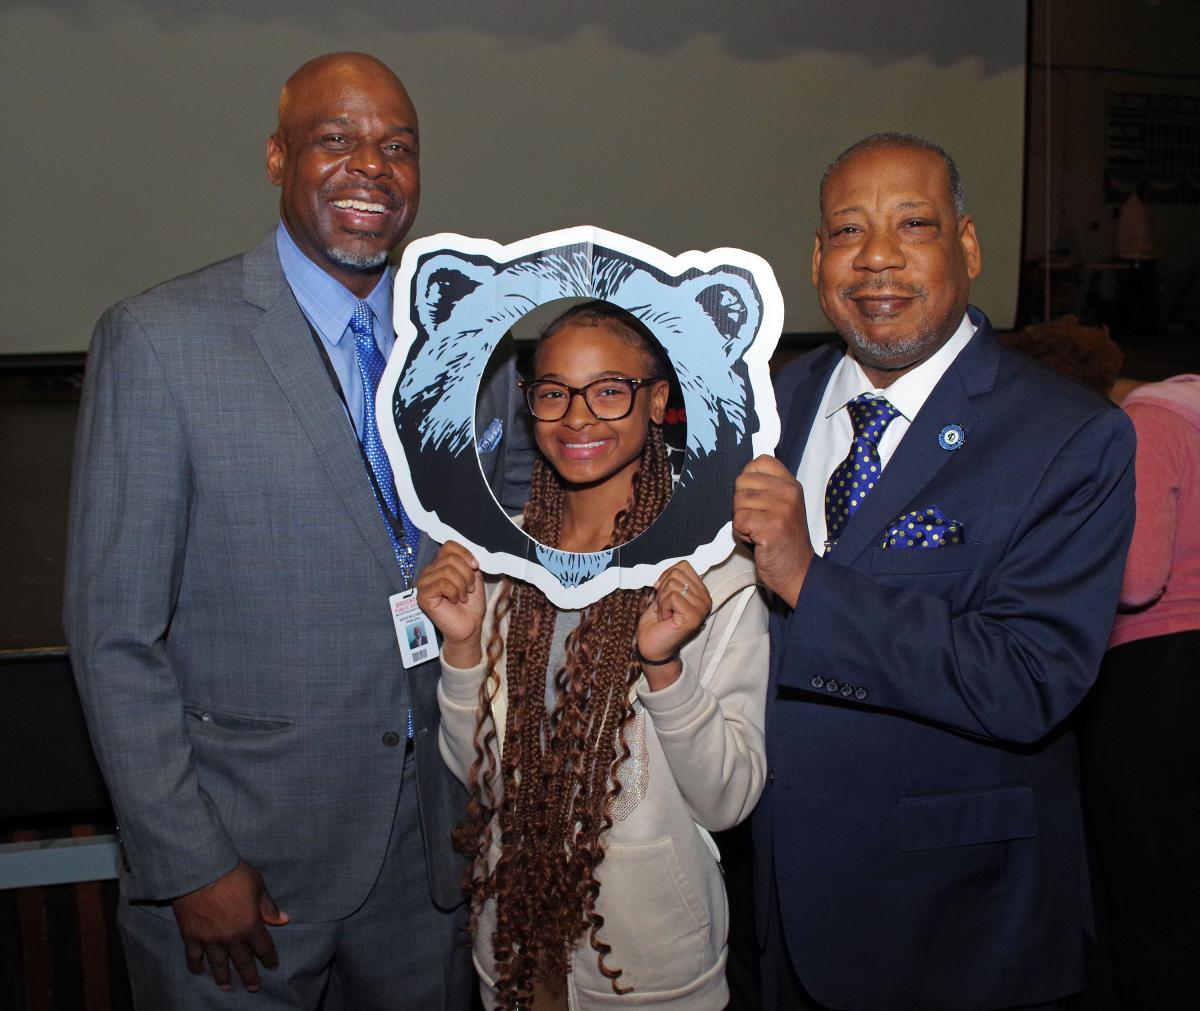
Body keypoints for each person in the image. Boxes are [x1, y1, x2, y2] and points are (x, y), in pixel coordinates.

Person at [63, 52, 530, 1008]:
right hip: (246, 863)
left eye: (397, 148)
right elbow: (114, 636)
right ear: (278, 158)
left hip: (431, 859)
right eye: (337, 140)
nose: (373, 167)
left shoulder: (471, 350)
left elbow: (516, 557)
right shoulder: (160, 342)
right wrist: (189, 862)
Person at [733, 134, 1136, 1010]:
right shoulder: (767, 406)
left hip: (957, 928)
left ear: (968, 245)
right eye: (847, 230)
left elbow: (1029, 680)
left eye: (913, 223)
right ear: (816, 257)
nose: (877, 256)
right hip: (780, 905)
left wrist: (812, 578)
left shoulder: (1068, 435)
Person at [417, 301, 768, 1009]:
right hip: (513, 952)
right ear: (530, 406)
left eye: (609, 390)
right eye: (554, 392)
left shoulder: (716, 571)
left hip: (647, 967)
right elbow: (476, 774)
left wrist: (664, 669)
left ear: (658, 398)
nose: (578, 417)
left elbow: (728, 799)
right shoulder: (502, 558)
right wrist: (461, 648)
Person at [1003, 318, 1200, 1009]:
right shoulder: (1190, 406)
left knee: (1149, 893)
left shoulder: (1145, 425)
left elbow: (1139, 580)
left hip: (1159, 681)